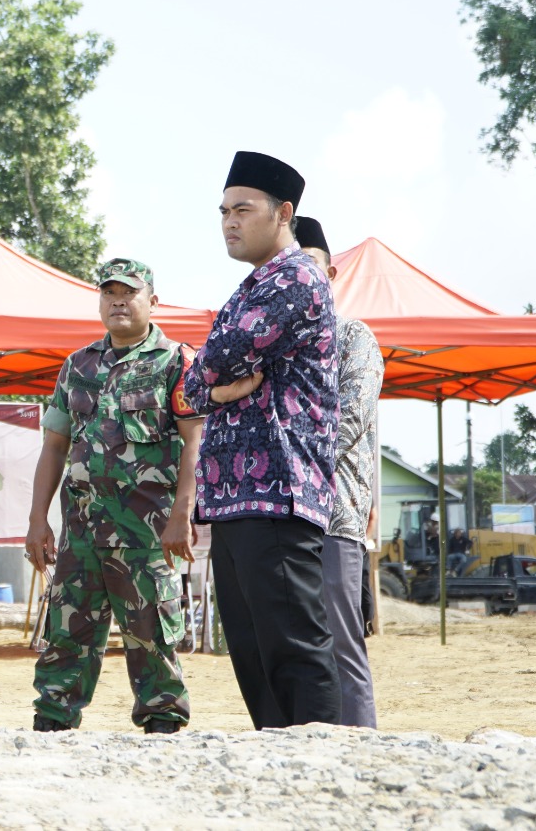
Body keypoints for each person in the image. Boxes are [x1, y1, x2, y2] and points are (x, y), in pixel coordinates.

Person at [184, 151, 341, 729]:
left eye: (243, 209)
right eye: (223, 210)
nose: (229, 221)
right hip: (234, 500)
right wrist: (217, 391)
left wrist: (211, 384)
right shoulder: (253, 285)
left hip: (279, 492)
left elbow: (214, 361)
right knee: (253, 654)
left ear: (283, 214)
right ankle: (283, 777)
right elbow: (191, 389)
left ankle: (325, 769)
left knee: (293, 651)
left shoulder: (295, 277)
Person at [24, 258, 203, 733]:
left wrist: (182, 513)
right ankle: (54, 717)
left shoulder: (177, 362)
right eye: (109, 293)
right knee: (67, 628)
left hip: (146, 528)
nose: (118, 301)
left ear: (152, 300)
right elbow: (55, 445)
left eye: (129, 292)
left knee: (150, 631)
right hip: (80, 526)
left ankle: (161, 721)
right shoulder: (78, 364)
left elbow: (195, 443)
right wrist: (38, 519)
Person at [296, 217, 383, 728]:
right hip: (281, 518)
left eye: (309, 269)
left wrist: (285, 460)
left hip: (334, 516)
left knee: (340, 640)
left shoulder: (354, 337)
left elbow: (349, 417)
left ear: (330, 274)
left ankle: (360, 744)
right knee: (294, 645)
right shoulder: (277, 342)